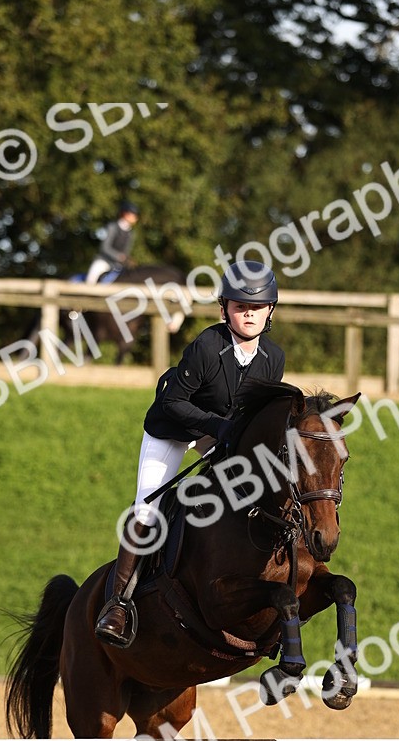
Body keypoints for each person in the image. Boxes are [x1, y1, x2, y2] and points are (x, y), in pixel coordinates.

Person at [95, 259, 285, 647]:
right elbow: (173, 403)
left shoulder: (273, 358)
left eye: (256, 307)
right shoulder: (206, 346)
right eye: (238, 306)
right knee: (149, 506)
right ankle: (117, 603)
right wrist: (217, 429)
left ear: (270, 311)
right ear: (224, 309)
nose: (247, 313)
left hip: (221, 435)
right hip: (172, 428)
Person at [85, 202, 139, 284]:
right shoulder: (112, 227)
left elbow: (126, 251)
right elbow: (104, 247)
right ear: (125, 214)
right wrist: (119, 256)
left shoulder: (131, 233)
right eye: (133, 215)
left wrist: (128, 259)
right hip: (104, 261)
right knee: (91, 278)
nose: (135, 218)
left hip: (117, 266)